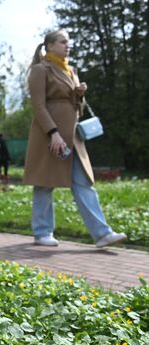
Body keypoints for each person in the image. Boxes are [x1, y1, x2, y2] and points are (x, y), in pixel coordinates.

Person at [23, 29, 126, 248]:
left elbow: (75, 108)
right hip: (49, 136)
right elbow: (38, 106)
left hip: (73, 137)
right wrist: (53, 133)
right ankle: (42, 232)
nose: (67, 46)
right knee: (45, 183)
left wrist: (78, 95)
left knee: (83, 183)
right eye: (62, 42)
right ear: (50, 45)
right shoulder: (40, 70)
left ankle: (102, 234)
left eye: (68, 43)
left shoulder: (71, 70)